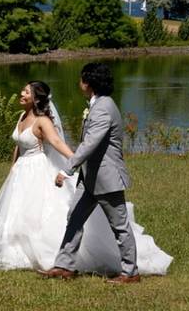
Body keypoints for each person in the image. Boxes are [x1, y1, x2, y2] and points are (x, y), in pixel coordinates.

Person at [0, 79, 171, 276]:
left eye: (26, 92)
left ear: (37, 98)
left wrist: (74, 161)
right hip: (21, 172)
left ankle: (64, 260)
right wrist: (12, 168)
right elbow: (19, 145)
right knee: (16, 213)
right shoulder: (22, 117)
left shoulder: (43, 121)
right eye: (23, 90)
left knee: (40, 213)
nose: (21, 93)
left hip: (37, 169)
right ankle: (19, 253)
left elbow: (56, 142)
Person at [41, 63, 147, 284]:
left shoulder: (103, 108)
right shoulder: (97, 104)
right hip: (89, 178)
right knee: (74, 217)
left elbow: (90, 144)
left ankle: (130, 273)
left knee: (119, 226)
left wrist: (67, 168)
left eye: (81, 79)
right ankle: (64, 266)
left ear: (88, 82)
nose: (79, 82)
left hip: (106, 177)